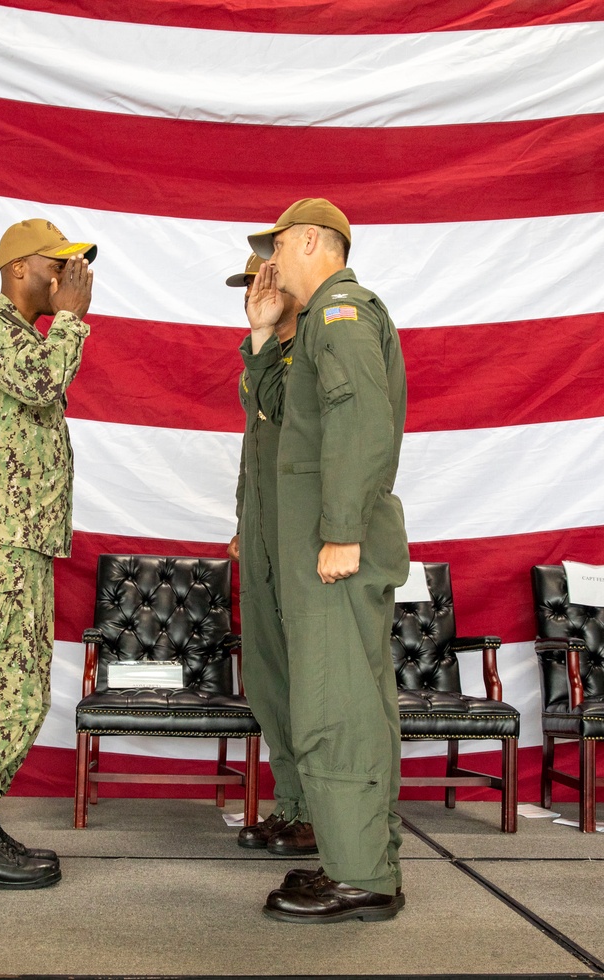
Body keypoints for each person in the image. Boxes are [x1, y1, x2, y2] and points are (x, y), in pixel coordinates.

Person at [245, 198, 409, 923]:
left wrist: (341, 528)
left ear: (311, 238)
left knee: (336, 699)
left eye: (276, 246)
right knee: (326, 696)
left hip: (334, 544)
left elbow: (360, 418)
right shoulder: (312, 324)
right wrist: (259, 335)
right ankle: (353, 858)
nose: (270, 260)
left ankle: (363, 876)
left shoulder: (343, 311)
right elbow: (284, 413)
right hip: (313, 541)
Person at [0, 218, 95, 890]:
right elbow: (41, 384)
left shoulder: (21, 334)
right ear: (18, 268)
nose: (66, 276)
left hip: (20, 541)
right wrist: (72, 320)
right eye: (56, 264)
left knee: (23, 688)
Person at [226, 252, 317, 857]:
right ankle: (292, 804)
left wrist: (261, 338)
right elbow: (256, 443)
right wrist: (244, 520)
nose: (256, 293)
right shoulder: (260, 353)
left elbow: (282, 410)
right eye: (249, 285)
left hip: (301, 540)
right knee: (267, 677)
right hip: (261, 532)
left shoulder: (312, 350)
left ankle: (320, 810)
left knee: (310, 681)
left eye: (267, 281)